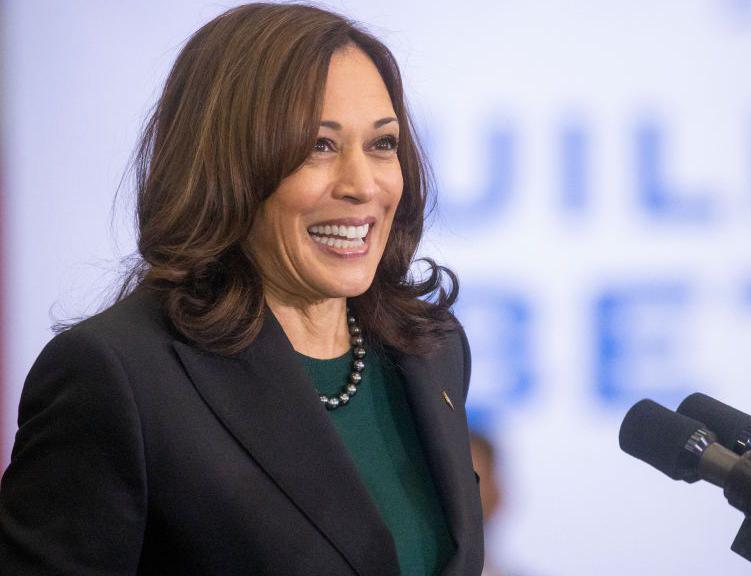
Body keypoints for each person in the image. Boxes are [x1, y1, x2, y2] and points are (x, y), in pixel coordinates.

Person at [0, 3, 483, 575]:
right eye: (318, 146)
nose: (362, 185)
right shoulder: (117, 376)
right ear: (228, 166)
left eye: (382, 144)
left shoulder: (432, 349)